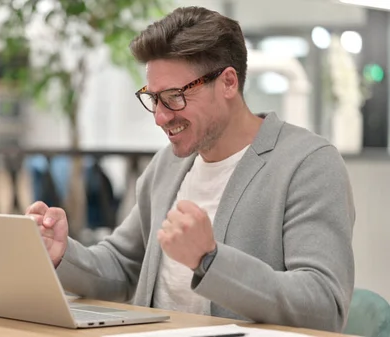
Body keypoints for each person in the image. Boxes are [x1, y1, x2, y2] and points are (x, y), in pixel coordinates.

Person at [25, 6, 355, 333]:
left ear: (228, 82)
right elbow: (123, 266)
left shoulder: (309, 164)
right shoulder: (168, 165)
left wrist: (210, 260)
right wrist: (62, 253)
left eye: (174, 97)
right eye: (154, 98)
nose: (160, 117)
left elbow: (323, 306)